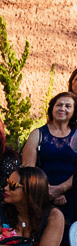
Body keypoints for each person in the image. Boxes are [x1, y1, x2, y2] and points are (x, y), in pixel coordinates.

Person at [22, 91, 77, 224]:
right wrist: (48, 191)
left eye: (68, 106)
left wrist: (61, 188)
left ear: (74, 111)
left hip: (73, 194)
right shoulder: (37, 134)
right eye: (59, 105)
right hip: (42, 195)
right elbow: (28, 168)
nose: (62, 109)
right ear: (52, 108)